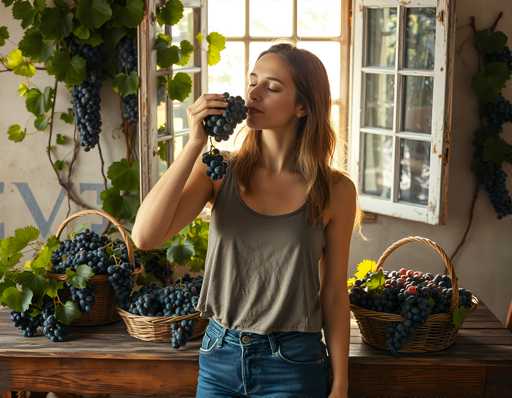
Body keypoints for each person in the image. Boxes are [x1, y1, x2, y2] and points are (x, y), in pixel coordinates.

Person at [131, 42, 364, 398]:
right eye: (252, 80)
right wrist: (194, 143)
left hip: (294, 362)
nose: (253, 93)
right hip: (219, 356)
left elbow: (333, 292)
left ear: (303, 106)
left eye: (272, 87)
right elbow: (145, 237)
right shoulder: (219, 171)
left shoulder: (335, 190)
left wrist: (341, 384)